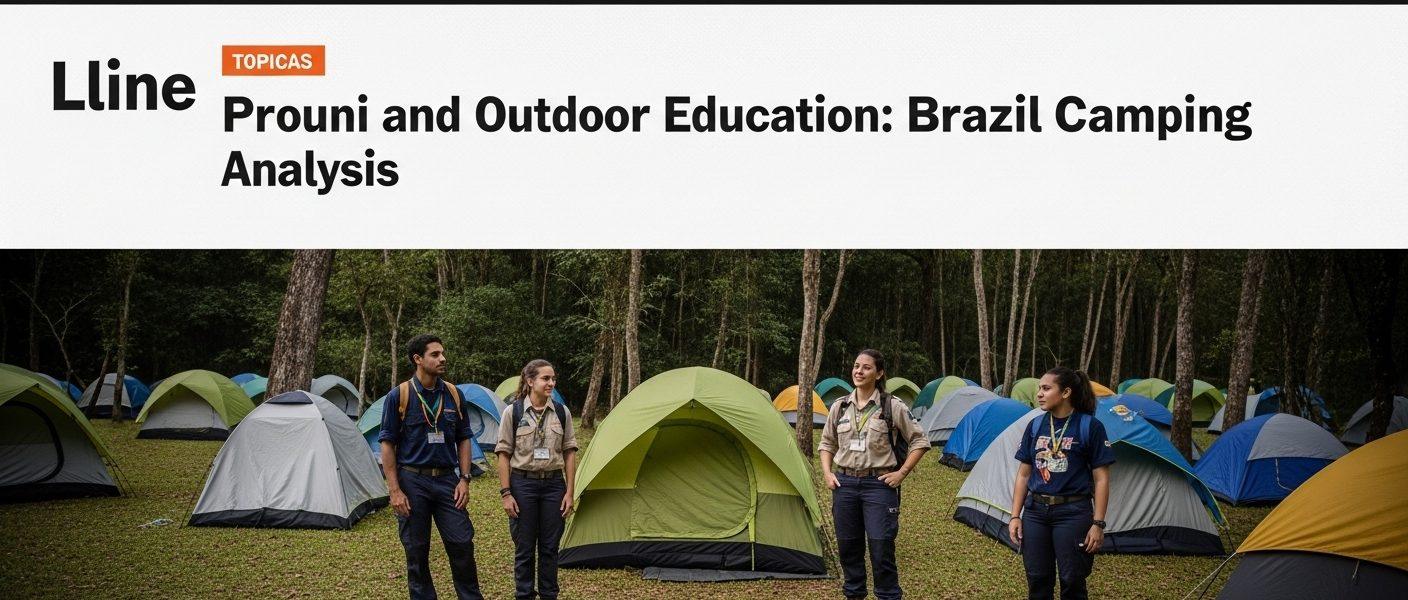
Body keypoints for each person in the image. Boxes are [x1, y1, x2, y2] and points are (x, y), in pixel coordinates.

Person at [819, 349, 930, 600]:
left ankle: (888, 595)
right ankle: (854, 594)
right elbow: (826, 443)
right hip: (844, 485)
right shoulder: (839, 406)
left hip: (878, 485)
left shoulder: (892, 405)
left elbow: (920, 441)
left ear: (879, 374)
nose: (859, 371)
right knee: (848, 548)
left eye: (866, 367)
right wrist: (827, 473)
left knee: (881, 550)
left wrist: (901, 473)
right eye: (856, 366)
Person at [380, 334, 484, 600]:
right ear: (418, 359)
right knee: (416, 550)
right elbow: (387, 445)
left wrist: (464, 479)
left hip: (448, 481)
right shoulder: (399, 396)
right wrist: (394, 490)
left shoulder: (453, 394)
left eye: (442, 353)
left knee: (462, 543)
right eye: (435, 354)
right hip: (412, 481)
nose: (442, 358)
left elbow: (464, 438)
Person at [1008, 366, 1115, 600]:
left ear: (1066, 392)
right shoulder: (1035, 426)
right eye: (1039, 388)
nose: (1039, 394)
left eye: (1046, 388)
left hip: (1073, 513)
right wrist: (1015, 515)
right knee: (1037, 580)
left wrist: (1098, 523)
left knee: (1072, 581)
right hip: (1036, 513)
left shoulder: (1090, 426)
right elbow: (1024, 474)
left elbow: (1101, 478)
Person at [495, 359, 579, 600]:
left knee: (550, 548)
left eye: (553, 378)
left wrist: (569, 492)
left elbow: (569, 453)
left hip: (554, 486)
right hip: (523, 485)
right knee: (524, 548)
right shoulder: (513, 412)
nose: (551, 383)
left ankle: (549, 594)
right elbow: (503, 455)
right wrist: (506, 493)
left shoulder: (562, 412)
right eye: (545, 378)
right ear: (530, 381)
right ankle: (524, 595)